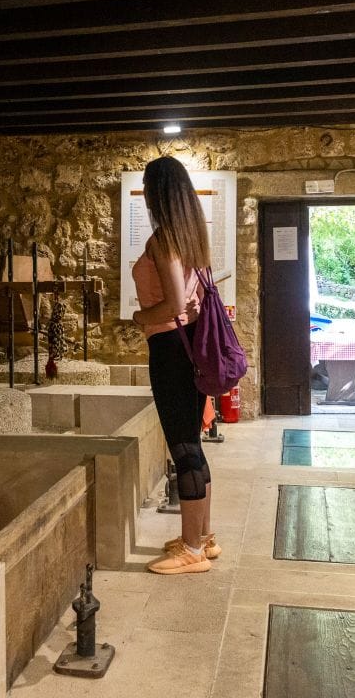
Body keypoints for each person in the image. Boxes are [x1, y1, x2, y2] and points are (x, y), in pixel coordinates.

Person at [132, 156, 221, 575]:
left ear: (157, 194)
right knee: (193, 444)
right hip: (188, 346)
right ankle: (202, 538)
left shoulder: (165, 240)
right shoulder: (190, 236)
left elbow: (174, 305)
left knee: (183, 449)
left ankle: (191, 551)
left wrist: (139, 316)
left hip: (170, 347)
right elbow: (192, 301)